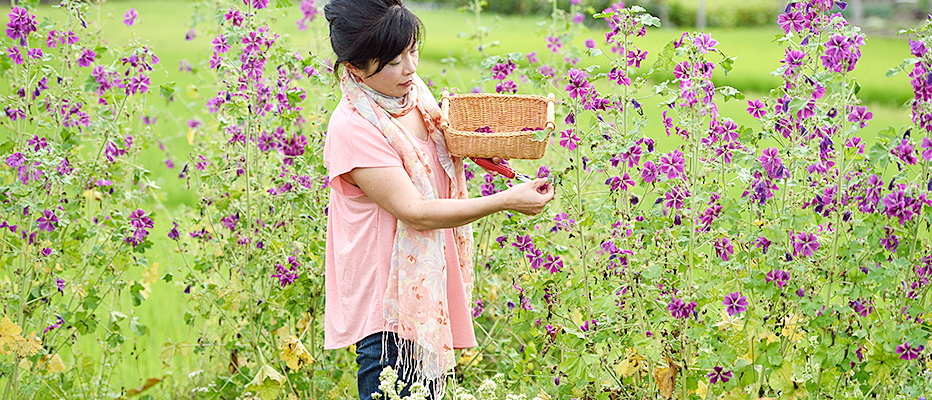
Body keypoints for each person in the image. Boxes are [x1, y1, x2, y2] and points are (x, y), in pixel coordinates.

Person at [321, 0, 555, 399]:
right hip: (389, 316)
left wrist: (473, 149)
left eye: (412, 51)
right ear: (356, 68)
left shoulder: (410, 94)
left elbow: (435, 148)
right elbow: (417, 212)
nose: (410, 68)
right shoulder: (353, 127)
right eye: (393, 61)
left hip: (425, 301)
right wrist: (505, 200)